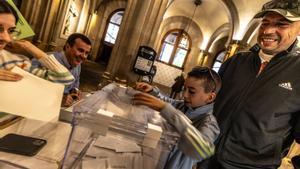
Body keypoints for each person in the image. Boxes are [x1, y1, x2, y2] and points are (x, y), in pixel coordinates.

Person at [200, 0, 300, 168]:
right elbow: (208, 105)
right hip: (206, 159)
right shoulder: (236, 61)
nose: (268, 30)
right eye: (265, 23)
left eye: (281, 24)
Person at [133, 66, 221, 169]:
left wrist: (169, 111)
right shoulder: (183, 105)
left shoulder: (208, 122)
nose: (184, 95)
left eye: (191, 92)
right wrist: (152, 91)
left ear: (210, 97)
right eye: (184, 88)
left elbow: (203, 150)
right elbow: (165, 101)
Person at [0, 0, 74, 84]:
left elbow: (64, 78)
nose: (6, 38)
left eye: (11, 31)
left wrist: (29, 46)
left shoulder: (12, 62)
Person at [32, 33, 92, 107]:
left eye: (86, 53)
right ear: (67, 46)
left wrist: (75, 91)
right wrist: (58, 99)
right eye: (80, 50)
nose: (83, 56)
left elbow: (75, 83)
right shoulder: (45, 60)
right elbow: (31, 88)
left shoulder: (78, 64)